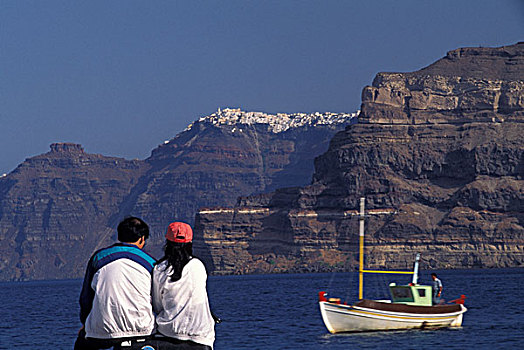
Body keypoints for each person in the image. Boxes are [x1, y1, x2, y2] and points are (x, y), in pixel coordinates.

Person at [74, 217, 156, 350]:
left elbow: (85, 299)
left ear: (119, 236)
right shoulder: (149, 262)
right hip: (141, 331)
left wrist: (86, 323)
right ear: (142, 239)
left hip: (101, 331)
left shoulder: (98, 258)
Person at [152, 222, 215, 349]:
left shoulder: (159, 269)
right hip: (200, 337)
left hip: (168, 334)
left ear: (167, 243)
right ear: (189, 243)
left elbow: (158, 305)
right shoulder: (198, 266)